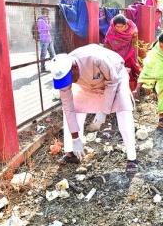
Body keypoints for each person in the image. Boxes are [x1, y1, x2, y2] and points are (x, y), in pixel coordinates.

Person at [51, 44, 138, 172]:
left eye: (69, 79)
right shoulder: (64, 75)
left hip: (115, 79)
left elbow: (112, 82)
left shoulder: (96, 59)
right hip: (87, 86)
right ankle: (71, 153)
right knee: (73, 111)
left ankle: (132, 158)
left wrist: (103, 111)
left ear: (74, 68)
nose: (68, 84)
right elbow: (68, 108)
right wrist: (75, 138)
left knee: (123, 112)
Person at [104, 15, 139, 91]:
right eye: (117, 27)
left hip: (129, 52)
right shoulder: (111, 29)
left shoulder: (132, 29)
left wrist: (135, 53)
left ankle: (131, 89)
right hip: (115, 54)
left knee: (130, 70)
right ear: (114, 25)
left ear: (125, 25)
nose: (119, 29)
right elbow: (107, 42)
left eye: (121, 27)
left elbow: (135, 43)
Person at [37, 7, 56, 72]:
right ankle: (42, 68)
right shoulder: (40, 20)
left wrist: (48, 22)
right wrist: (49, 22)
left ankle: (55, 67)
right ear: (44, 12)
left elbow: (48, 28)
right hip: (44, 40)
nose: (48, 14)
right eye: (47, 12)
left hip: (49, 39)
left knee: (53, 54)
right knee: (43, 54)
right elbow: (47, 28)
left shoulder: (45, 19)